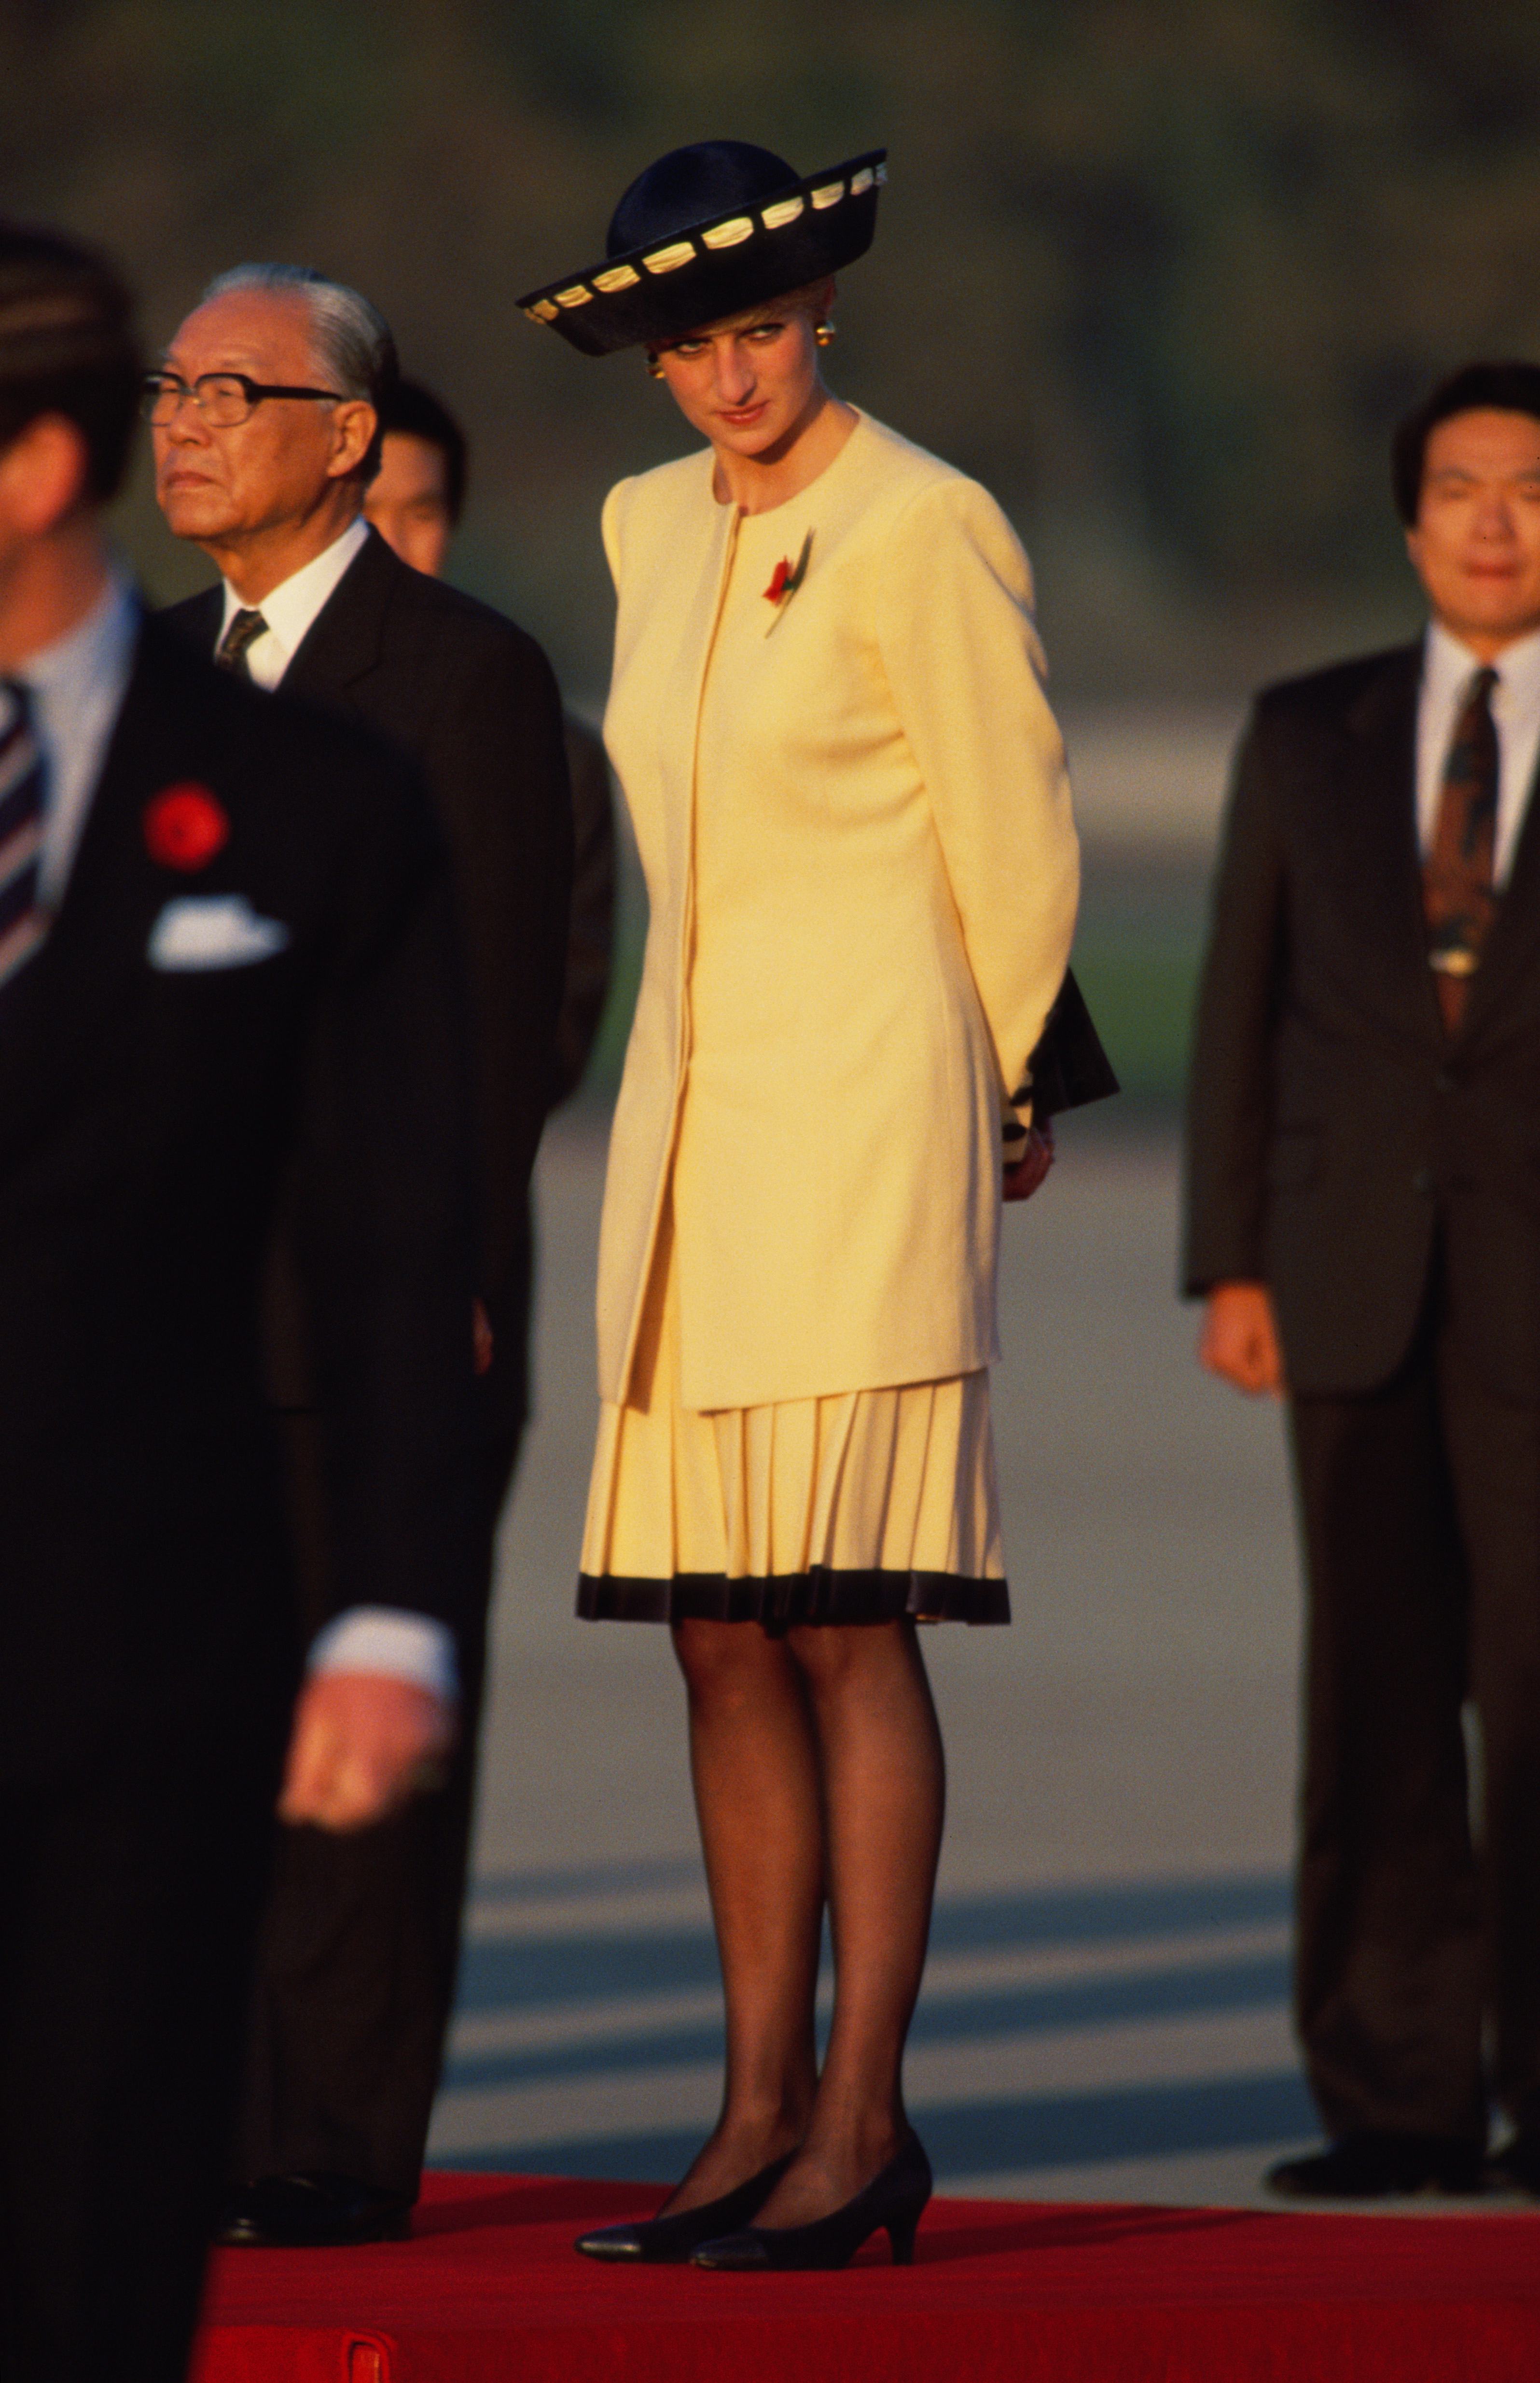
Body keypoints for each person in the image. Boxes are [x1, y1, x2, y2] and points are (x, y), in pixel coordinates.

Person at [517, 140, 1080, 2270]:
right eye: (689, 345)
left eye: (757, 329)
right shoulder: (642, 522)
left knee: (847, 1616)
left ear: (821, 310)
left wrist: (1021, 1071)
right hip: (688, 1130)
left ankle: (865, 2119)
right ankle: (752, 2112)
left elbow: (1015, 821)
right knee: (715, 1626)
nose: (729, 375)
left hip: (865, 1120)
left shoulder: (928, 518)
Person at [0, 219, 478, 2382]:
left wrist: (391, 1612)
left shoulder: (312, 794)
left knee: (100, 2228)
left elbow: (399, 1231)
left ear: (34, 466)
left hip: (146, 1630)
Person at [153, 265, 573, 2246]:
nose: (184, 421)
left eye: (233, 391)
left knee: (340, 1723)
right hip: (138, 1304)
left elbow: (482, 1003)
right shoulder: (141, 666)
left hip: (341, 1286)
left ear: (349, 438)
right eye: (173, 387)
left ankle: (326, 2135)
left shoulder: (460, 677)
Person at [1185, 360, 1540, 2201]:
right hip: (1344, 1276)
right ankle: (1393, 2093)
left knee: (1536, 1691)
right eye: (1462, 486)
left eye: (1530, 488)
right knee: (1375, 1692)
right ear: (1410, 522)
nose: (1495, 520)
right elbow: (1240, 1004)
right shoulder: (1307, 728)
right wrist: (1230, 1260)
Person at [364, 372, 616, 1101]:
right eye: (364, 513)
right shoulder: (241, 703)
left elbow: (562, 1020)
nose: (391, 544)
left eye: (421, 513)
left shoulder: (552, 753)